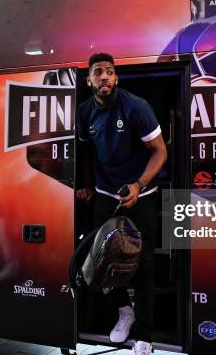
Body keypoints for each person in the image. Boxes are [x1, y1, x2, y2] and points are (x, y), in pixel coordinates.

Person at [76, 53, 167, 355]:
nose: (105, 77)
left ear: (116, 79)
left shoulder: (135, 107)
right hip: (106, 193)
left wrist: (139, 185)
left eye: (110, 72)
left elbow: (160, 152)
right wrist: (88, 184)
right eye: (98, 72)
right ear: (89, 80)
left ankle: (144, 337)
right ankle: (124, 311)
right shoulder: (85, 112)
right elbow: (87, 152)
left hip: (142, 193)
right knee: (102, 260)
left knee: (143, 264)